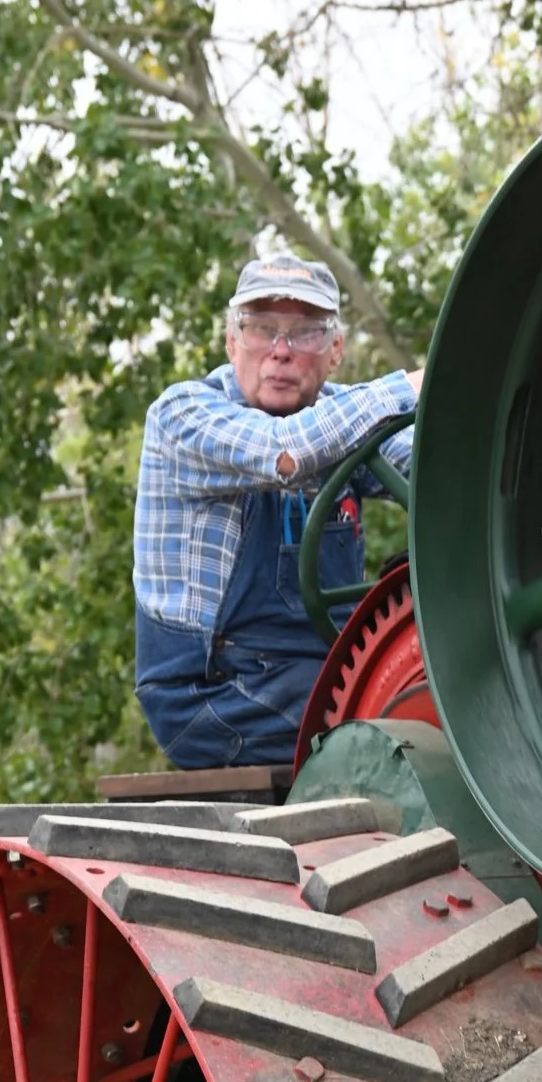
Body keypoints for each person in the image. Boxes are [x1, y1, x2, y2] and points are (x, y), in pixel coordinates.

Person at [132, 252, 420, 769]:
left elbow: (434, 462)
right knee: (406, 738)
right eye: (261, 328)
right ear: (231, 342)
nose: (281, 350)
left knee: (443, 685)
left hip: (325, 669)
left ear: (335, 351)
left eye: (305, 332)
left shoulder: (342, 417)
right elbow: (285, 451)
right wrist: (420, 384)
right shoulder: (182, 416)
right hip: (212, 696)